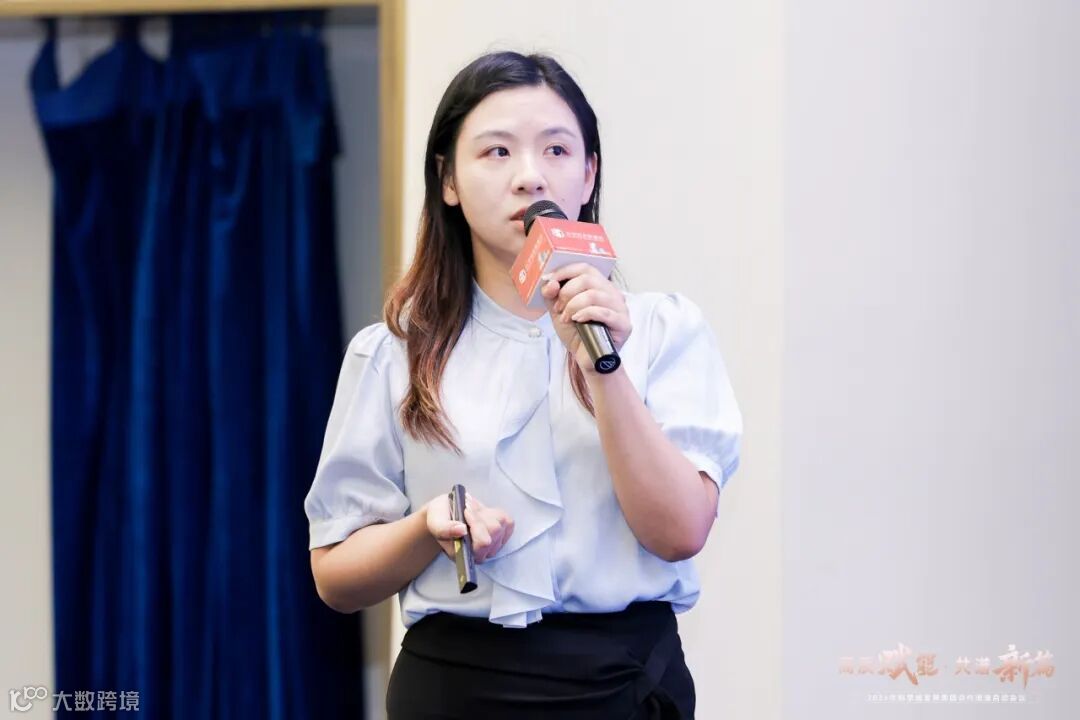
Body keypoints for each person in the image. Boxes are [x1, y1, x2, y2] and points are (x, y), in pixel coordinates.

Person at [304, 50, 742, 719]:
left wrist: (603, 366)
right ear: (448, 180)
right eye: (497, 152)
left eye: (557, 150)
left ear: (588, 173)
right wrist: (425, 530)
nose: (529, 176)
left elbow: (681, 531)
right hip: (456, 687)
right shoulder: (393, 350)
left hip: (623, 685)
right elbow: (335, 577)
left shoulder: (663, 330)